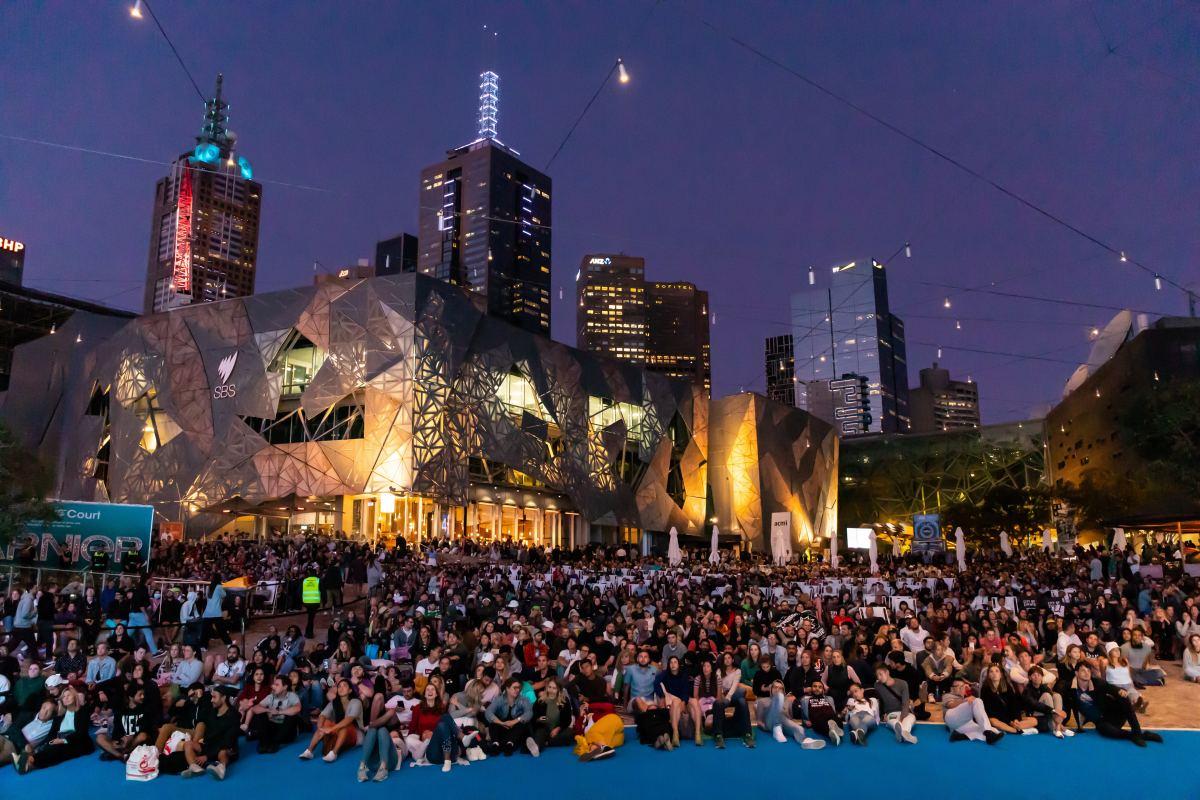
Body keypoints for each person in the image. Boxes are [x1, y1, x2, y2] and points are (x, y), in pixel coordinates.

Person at [1070, 662, 1162, 747]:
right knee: (1105, 730)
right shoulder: (1070, 688)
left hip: (1113, 714)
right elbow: (1062, 694)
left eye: (1088, 670)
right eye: (1083, 670)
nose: (1087, 673)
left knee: (1123, 697)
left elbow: (1110, 688)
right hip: (1101, 722)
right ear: (1076, 673)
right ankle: (1139, 735)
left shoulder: (1098, 683)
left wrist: (1119, 691)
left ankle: (1137, 731)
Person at [180, 686, 240, 780]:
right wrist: (199, 697)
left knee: (223, 751)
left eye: (214, 697)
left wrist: (207, 756)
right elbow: (200, 716)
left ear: (224, 698)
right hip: (210, 745)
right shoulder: (212, 711)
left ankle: (221, 769)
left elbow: (228, 741)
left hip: (226, 747)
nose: (211, 700)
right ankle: (195, 768)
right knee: (188, 744)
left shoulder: (234, 715)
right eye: (211, 697)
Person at [299, 678, 363, 762]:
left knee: (344, 726)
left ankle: (334, 753)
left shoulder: (356, 701)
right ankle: (309, 751)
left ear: (350, 690)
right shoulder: (334, 702)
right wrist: (320, 727)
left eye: (344, 686)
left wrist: (331, 729)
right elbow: (322, 715)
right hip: (338, 730)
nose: (341, 688)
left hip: (355, 734)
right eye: (339, 686)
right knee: (325, 722)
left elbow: (349, 719)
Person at [357, 676, 399, 781]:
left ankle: (383, 769)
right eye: (376, 699)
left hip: (390, 760)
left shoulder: (391, 711)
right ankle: (362, 766)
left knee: (381, 730)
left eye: (380, 699)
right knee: (374, 729)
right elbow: (371, 727)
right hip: (373, 762)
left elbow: (372, 725)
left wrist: (370, 725)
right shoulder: (373, 708)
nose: (378, 700)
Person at [96, 685, 154, 760]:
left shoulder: (145, 709)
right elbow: (117, 729)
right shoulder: (121, 711)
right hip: (123, 741)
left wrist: (131, 736)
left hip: (135, 741)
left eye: (143, 694)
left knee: (143, 736)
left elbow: (146, 727)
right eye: (140, 694)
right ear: (131, 696)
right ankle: (121, 756)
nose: (143, 697)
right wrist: (118, 740)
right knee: (100, 737)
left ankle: (119, 753)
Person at [979, 663, 1039, 735]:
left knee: (1034, 720)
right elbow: (988, 710)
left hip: (1009, 717)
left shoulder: (1007, 687)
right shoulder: (985, 689)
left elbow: (1014, 705)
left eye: (997, 671)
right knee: (993, 721)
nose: (994, 673)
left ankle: (1015, 727)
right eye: (991, 671)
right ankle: (1017, 731)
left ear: (1001, 674)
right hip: (997, 718)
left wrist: (1015, 719)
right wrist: (1008, 721)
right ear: (988, 675)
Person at [485, 677, 537, 757]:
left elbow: (529, 713)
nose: (517, 690)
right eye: (514, 688)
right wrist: (501, 723)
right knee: (493, 722)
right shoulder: (499, 699)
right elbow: (488, 712)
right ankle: (495, 744)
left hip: (515, 730)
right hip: (502, 727)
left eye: (518, 688)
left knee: (523, 723)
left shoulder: (524, 699)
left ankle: (509, 745)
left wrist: (514, 721)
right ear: (507, 688)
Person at [941, 678, 1003, 744]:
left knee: (994, 731)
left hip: (964, 723)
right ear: (952, 688)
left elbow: (978, 705)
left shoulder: (965, 697)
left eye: (962, 686)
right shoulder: (947, 695)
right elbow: (951, 705)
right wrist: (966, 700)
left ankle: (962, 736)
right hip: (951, 718)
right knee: (977, 700)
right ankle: (988, 733)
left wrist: (969, 691)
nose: (961, 688)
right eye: (958, 686)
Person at [250, 675, 301, 754]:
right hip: (272, 727)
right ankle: (264, 744)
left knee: (292, 717)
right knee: (260, 715)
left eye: (277, 685)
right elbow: (255, 708)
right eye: (274, 684)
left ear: (285, 687)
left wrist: (279, 712)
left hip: (286, 732)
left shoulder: (292, 696)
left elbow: (298, 708)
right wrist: (268, 710)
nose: (273, 686)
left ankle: (274, 743)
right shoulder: (270, 696)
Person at [713, 651, 753, 749]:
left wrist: (728, 698)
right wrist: (722, 695)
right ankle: (719, 735)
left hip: (733, 694)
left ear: (733, 660)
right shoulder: (719, 671)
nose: (727, 660)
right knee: (719, 703)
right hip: (722, 694)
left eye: (729, 658)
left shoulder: (737, 671)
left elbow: (734, 686)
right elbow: (719, 685)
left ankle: (747, 734)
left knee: (741, 697)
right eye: (725, 658)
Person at [654, 655, 693, 747]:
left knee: (683, 703)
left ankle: (676, 733)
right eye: (671, 662)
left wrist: (683, 701)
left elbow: (686, 690)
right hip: (670, 700)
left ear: (679, 664)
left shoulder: (684, 675)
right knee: (671, 705)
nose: (673, 664)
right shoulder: (665, 673)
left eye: (675, 662)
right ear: (668, 665)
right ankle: (673, 733)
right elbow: (656, 684)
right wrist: (662, 695)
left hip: (681, 700)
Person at [873, 664, 918, 744]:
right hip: (890, 713)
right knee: (892, 721)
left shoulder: (902, 684)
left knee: (910, 718)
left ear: (887, 672)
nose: (879, 678)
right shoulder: (877, 685)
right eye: (877, 676)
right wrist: (882, 714)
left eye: (880, 674)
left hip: (905, 712)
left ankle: (904, 732)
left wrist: (902, 717)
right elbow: (878, 702)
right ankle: (903, 732)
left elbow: (905, 703)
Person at [531, 679, 575, 751]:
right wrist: (538, 719)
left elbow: (568, 720)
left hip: (558, 730)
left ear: (559, 689)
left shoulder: (565, 700)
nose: (551, 690)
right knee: (539, 733)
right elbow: (534, 715)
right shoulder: (540, 700)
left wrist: (558, 728)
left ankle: (545, 743)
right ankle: (538, 746)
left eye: (554, 688)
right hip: (544, 728)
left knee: (569, 733)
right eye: (549, 687)